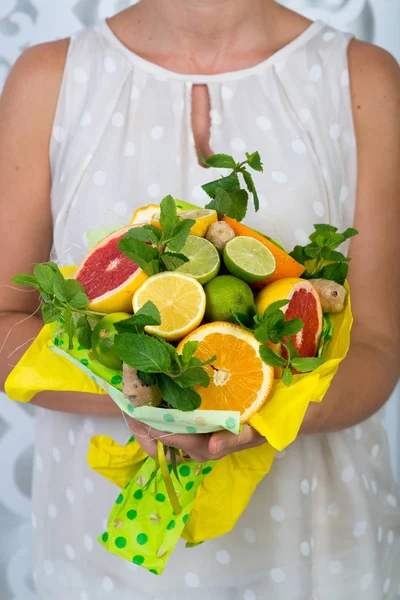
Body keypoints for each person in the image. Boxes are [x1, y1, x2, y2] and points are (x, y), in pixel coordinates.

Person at [0, 0, 399, 598]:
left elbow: (377, 344)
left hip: (316, 550)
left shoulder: (363, 78)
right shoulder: (48, 78)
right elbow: (6, 323)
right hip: (97, 563)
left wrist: (266, 412)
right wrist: (150, 394)